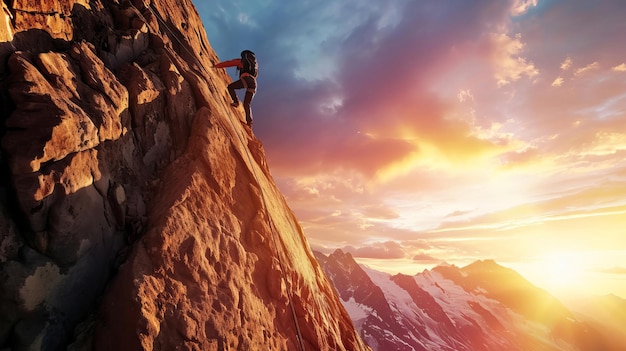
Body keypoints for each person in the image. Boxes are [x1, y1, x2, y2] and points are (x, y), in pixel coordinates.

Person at [212, 50, 258, 126]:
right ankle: (249, 123)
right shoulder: (253, 66)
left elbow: (229, 63)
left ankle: (236, 102)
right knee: (247, 103)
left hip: (247, 79)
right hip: (254, 84)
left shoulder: (242, 61)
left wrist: (216, 66)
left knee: (230, 87)